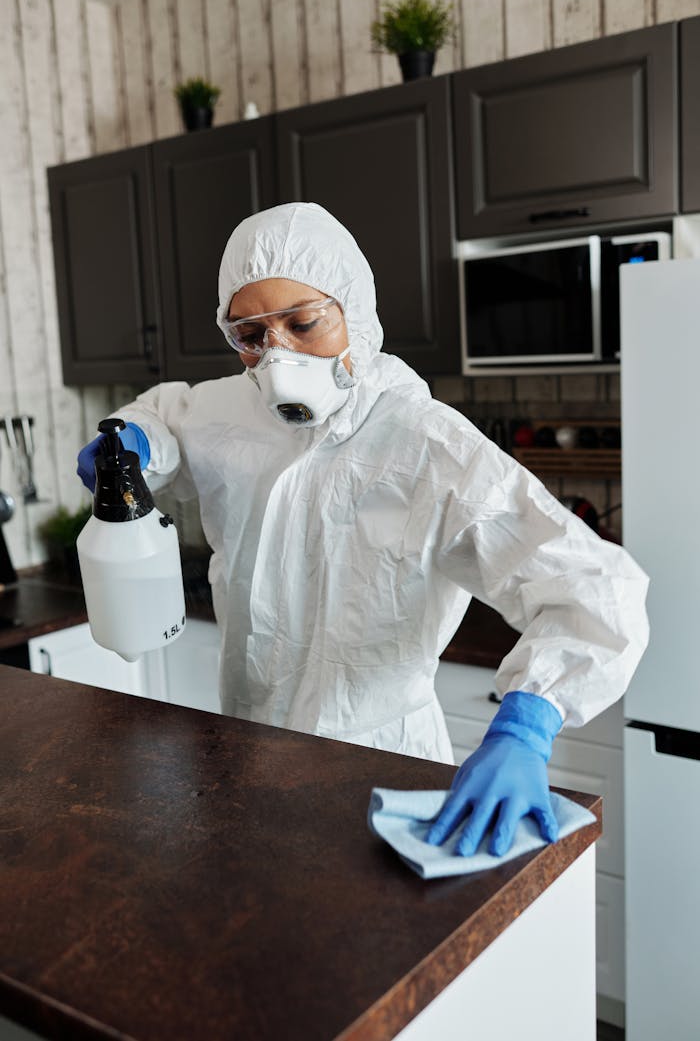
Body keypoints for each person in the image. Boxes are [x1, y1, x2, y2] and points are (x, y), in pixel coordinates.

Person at [77, 203, 649, 857]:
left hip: (384, 771)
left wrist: (527, 726)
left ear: (353, 309)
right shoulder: (230, 409)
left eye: (302, 322)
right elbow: (166, 415)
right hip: (246, 759)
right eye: (250, 334)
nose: (277, 355)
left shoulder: (425, 442)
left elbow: (598, 587)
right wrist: (136, 439)